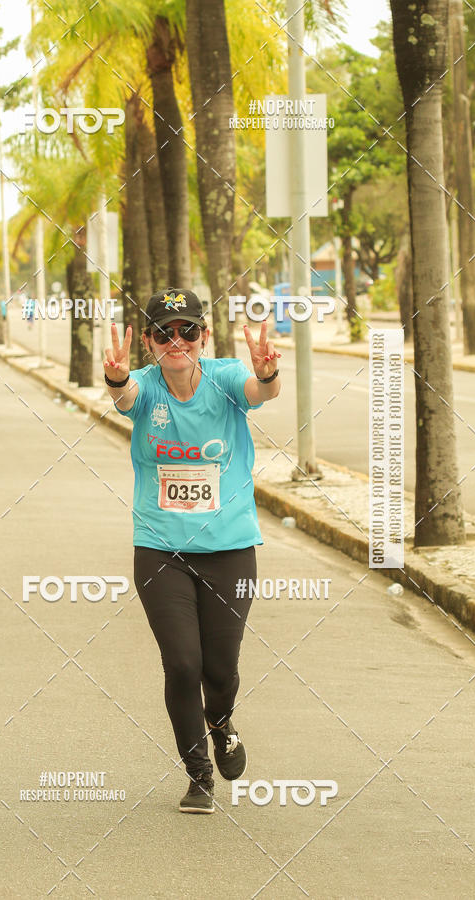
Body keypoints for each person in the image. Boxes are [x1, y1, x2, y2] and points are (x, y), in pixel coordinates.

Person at [103, 288, 281, 814]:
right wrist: (115, 377)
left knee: (220, 670)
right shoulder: (147, 388)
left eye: (187, 330)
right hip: (160, 548)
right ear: (152, 343)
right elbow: (123, 395)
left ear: (203, 336)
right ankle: (198, 773)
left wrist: (268, 373)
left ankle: (221, 720)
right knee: (183, 663)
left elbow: (262, 391)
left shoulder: (225, 379)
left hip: (230, 548)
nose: (176, 341)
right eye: (164, 333)